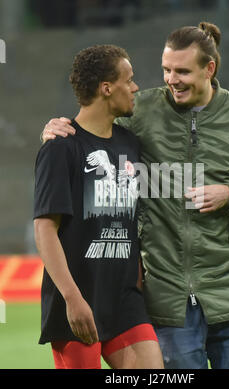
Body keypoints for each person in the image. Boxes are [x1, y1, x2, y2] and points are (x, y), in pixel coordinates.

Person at [42, 22, 229, 369]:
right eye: (166, 70)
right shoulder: (141, 111)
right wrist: (57, 129)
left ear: (209, 69)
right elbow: (91, 127)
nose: (172, 79)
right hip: (169, 302)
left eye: (183, 71)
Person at [34, 44, 164, 369]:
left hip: (124, 300)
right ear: (107, 88)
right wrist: (72, 298)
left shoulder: (130, 143)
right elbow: (44, 229)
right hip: (78, 301)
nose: (135, 87)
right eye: (129, 80)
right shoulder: (61, 148)